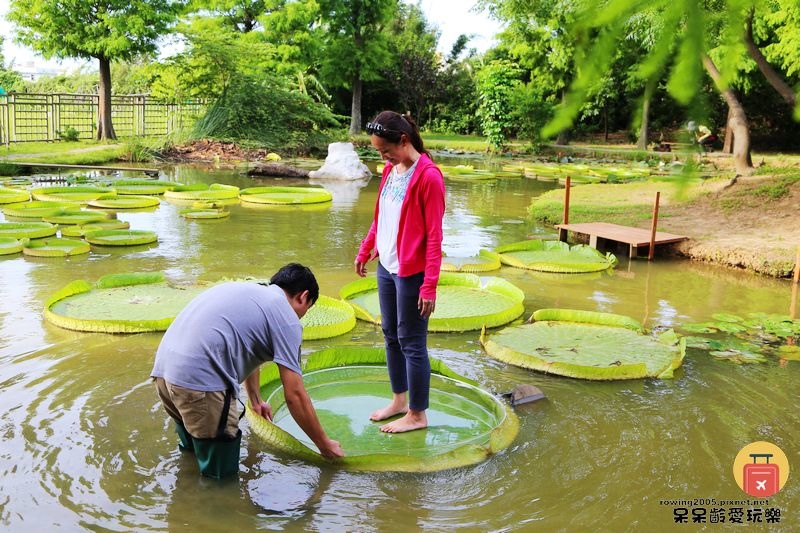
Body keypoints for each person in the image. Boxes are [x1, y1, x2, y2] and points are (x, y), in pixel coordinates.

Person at [151, 263, 344, 478]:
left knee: (191, 454)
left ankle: (188, 498)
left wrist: (256, 400)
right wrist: (323, 443)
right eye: (306, 310)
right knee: (220, 476)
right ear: (303, 296)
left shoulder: (252, 291)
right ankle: (215, 508)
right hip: (200, 382)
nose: (301, 317)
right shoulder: (286, 318)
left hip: (164, 372)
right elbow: (295, 395)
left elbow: (249, 350)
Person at [354, 110, 446, 434]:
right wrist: (366, 248)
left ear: (403, 140)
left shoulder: (429, 177)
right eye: (379, 152)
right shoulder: (390, 171)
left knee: (412, 342)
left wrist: (430, 286)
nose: (383, 157)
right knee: (391, 336)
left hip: (412, 273)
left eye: (385, 150)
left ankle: (418, 415)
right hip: (387, 267)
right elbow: (381, 217)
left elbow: (435, 237)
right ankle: (398, 401)